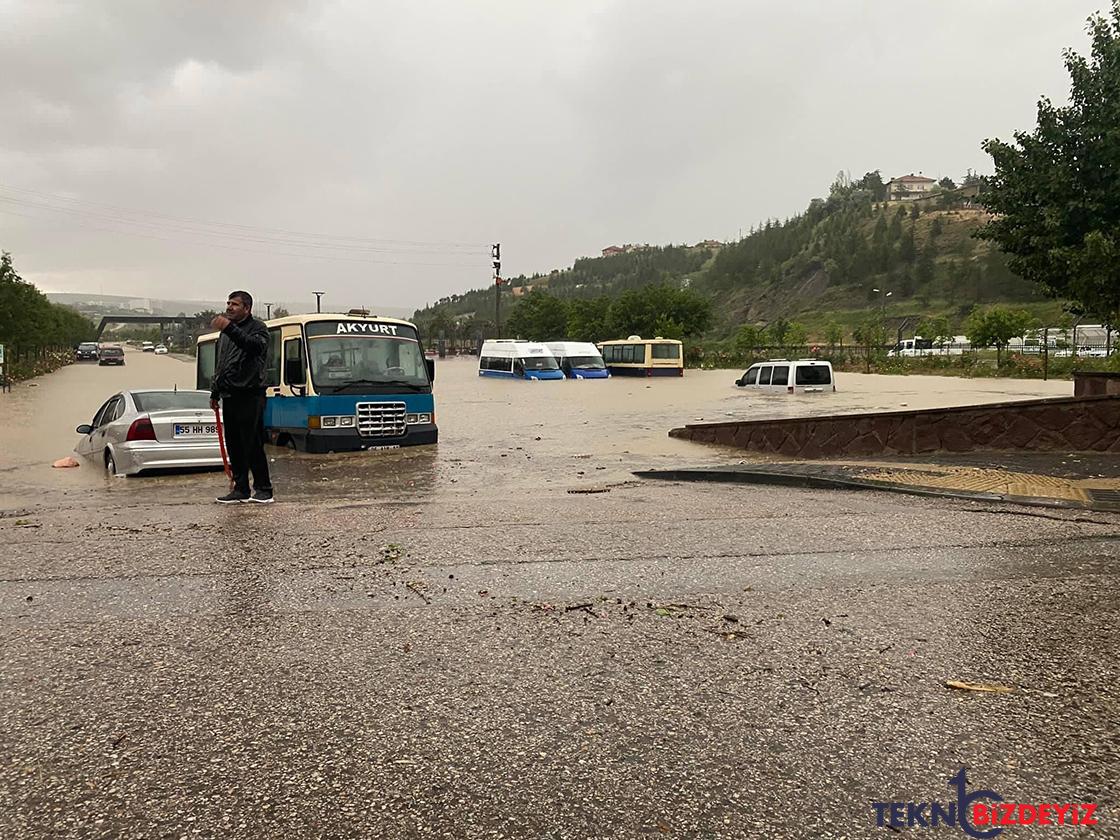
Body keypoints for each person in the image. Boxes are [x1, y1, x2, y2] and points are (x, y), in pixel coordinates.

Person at [209, 291, 274, 504]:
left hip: (250, 393)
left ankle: (264, 489)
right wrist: (215, 392)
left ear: (246, 308)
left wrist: (229, 327)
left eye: (234, 304)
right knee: (234, 444)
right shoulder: (225, 334)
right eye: (228, 303)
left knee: (252, 442)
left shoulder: (258, 329)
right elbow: (222, 364)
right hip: (230, 394)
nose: (229, 307)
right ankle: (241, 489)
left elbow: (254, 347)